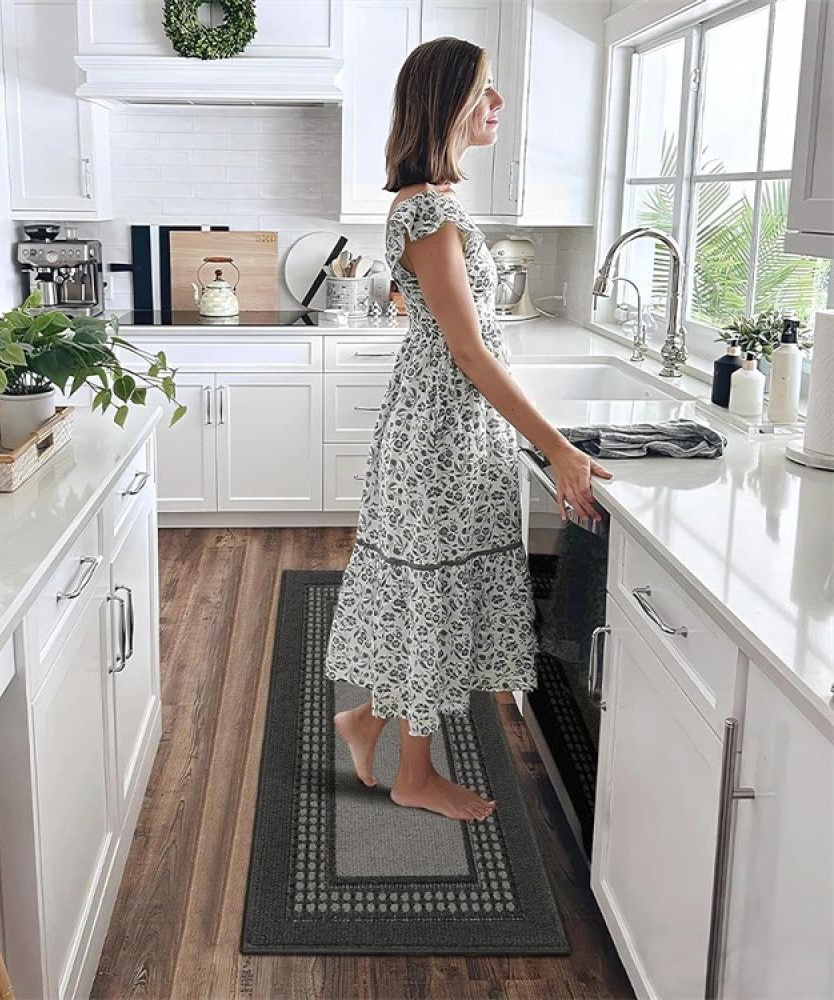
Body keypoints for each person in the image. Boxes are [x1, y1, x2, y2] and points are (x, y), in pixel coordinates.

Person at [324, 36, 612, 823]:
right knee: (437, 592)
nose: (498, 104)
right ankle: (413, 775)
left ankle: (368, 720)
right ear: (447, 102)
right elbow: (469, 350)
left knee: (435, 589)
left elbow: (451, 326)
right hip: (441, 435)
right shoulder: (427, 209)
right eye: (485, 90)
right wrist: (557, 448)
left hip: (449, 424)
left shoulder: (434, 201)